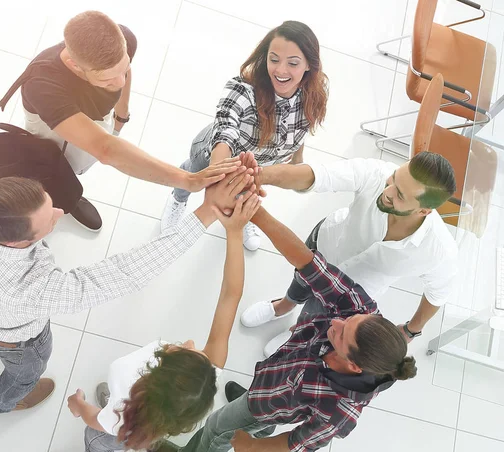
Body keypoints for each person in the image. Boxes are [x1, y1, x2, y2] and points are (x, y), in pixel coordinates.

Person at [0, 164, 255, 414]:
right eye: (50, 221)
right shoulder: (36, 289)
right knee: (24, 376)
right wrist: (207, 212)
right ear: (17, 241)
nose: (59, 212)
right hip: (17, 342)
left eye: (50, 204)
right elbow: (125, 273)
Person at [177, 204, 417, 452]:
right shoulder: (361, 310)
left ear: (354, 365)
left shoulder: (340, 411)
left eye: (342, 333)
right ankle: (261, 420)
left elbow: (296, 443)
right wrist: (255, 212)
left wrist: (251, 446)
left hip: (263, 406)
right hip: (274, 382)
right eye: (348, 320)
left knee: (216, 427)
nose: (336, 321)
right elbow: (309, 263)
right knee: (250, 412)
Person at [66, 192, 262, 452]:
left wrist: (79, 405)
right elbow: (230, 295)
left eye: (184, 348)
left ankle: (110, 409)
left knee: (100, 438)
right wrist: (234, 233)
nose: (192, 342)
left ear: (161, 365)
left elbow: (98, 422)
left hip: (116, 426)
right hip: (132, 420)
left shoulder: (126, 400)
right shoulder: (209, 370)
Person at [21, 11, 239, 231]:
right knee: (53, 171)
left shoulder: (122, 40)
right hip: (55, 132)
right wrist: (187, 180)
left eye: (123, 69)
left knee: (76, 168)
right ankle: (56, 200)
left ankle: (69, 189)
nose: (119, 82)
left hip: (95, 121)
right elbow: (105, 149)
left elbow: (124, 73)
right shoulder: (42, 85)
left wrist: (121, 113)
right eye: (106, 79)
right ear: (75, 65)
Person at [241, 152, 458, 355]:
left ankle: (296, 330)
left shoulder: (439, 251)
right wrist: (260, 176)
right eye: (393, 178)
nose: (387, 191)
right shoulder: (376, 174)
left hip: (349, 294)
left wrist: (411, 330)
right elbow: (318, 175)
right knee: (300, 280)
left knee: (318, 316)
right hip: (326, 245)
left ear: (424, 211)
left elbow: (438, 293)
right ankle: (284, 305)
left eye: (399, 195)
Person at [161, 20, 329, 251]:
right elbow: (224, 133)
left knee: (246, 191)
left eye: (292, 63)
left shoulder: (313, 96)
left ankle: (246, 211)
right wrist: (218, 180)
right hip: (211, 153)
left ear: (309, 64)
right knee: (192, 173)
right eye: (274, 59)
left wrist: (296, 161)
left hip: (257, 167)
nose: (280, 70)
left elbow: (301, 129)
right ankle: (178, 199)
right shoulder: (243, 89)